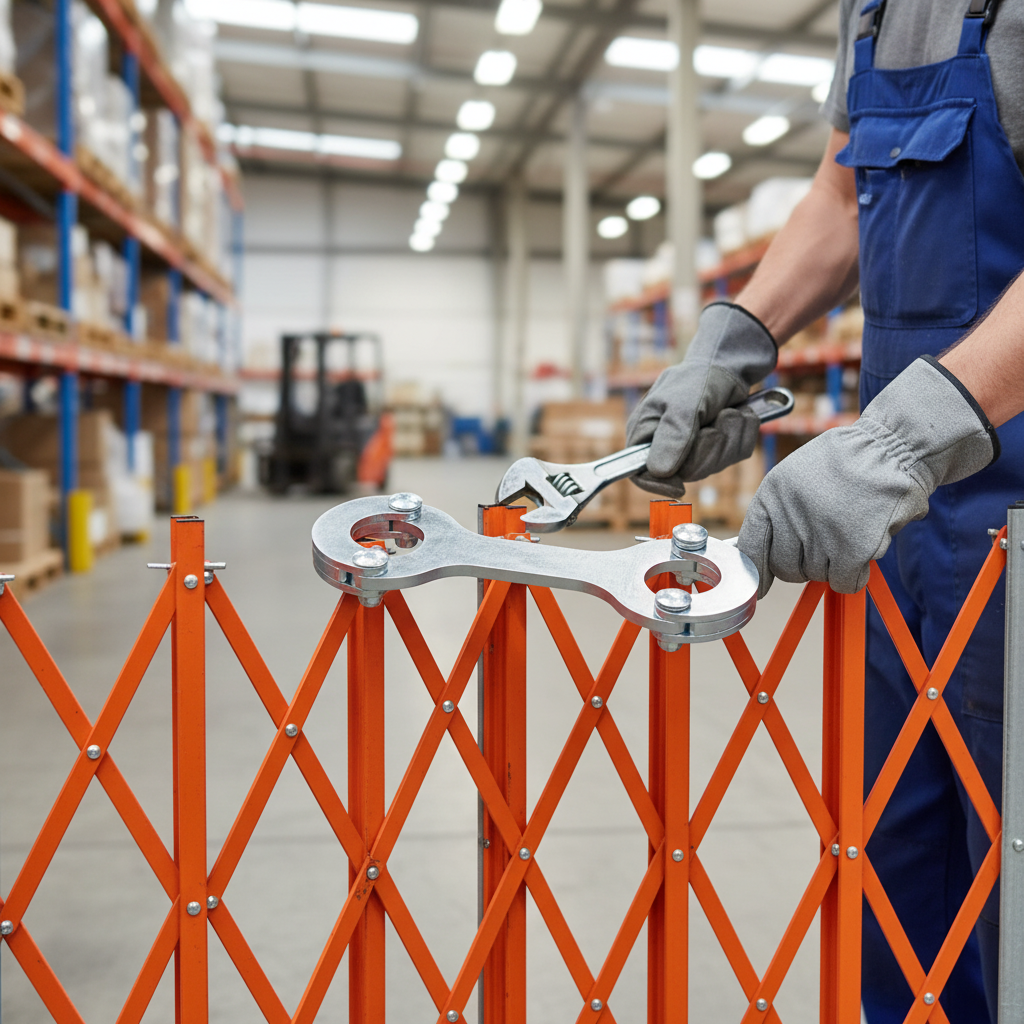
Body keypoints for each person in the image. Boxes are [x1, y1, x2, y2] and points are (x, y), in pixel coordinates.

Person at [625, 1, 1024, 1020]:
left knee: (1014, 880)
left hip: (1012, 529)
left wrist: (908, 436)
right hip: (895, 532)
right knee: (893, 863)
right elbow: (842, 193)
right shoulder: (873, 10)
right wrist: (735, 337)